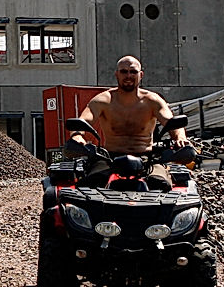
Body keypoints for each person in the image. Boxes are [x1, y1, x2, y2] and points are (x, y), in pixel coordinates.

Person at [71, 56, 188, 189]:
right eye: (124, 71)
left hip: (147, 159)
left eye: (133, 72)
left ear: (141, 75)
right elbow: (82, 121)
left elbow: (172, 123)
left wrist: (180, 138)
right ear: (116, 74)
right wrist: (77, 136)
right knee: (91, 184)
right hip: (110, 159)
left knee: (161, 185)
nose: (128, 76)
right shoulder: (103, 100)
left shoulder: (153, 101)